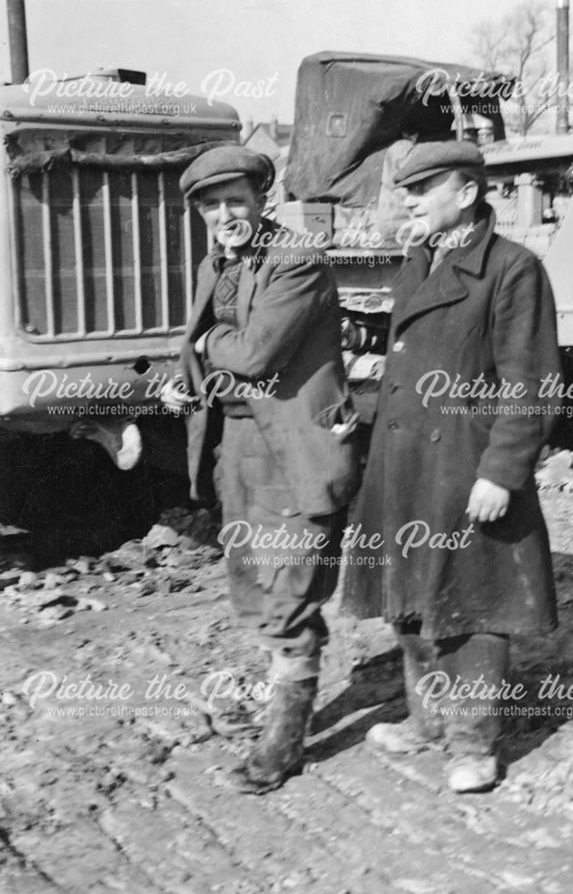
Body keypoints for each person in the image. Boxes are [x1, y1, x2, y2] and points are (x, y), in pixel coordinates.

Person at [342, 140, 561, 793]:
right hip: (405, 461)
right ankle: (426, 719)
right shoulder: (419, 260)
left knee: (474, 606)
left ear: (466, 193)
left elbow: (533, 383)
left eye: (423, 187)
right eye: (406, 188)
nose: (408, 198)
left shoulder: (513, 269)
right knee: (408, 600)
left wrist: (502, 471)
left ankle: (473, 745)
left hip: (466, 462)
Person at [162, 145, 359, 793]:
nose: (225, 215)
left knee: (290, 588)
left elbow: (252, 353)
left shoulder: (296, 260)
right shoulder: (213, 264)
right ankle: (285, 700)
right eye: (212, 206)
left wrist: (203, 347)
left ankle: (282, 747)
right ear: (199, 213)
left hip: (294, 448)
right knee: (252, 586)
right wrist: (185, 380)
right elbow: (206, 355)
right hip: (237, 444)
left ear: (261, 201)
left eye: (236, 202)